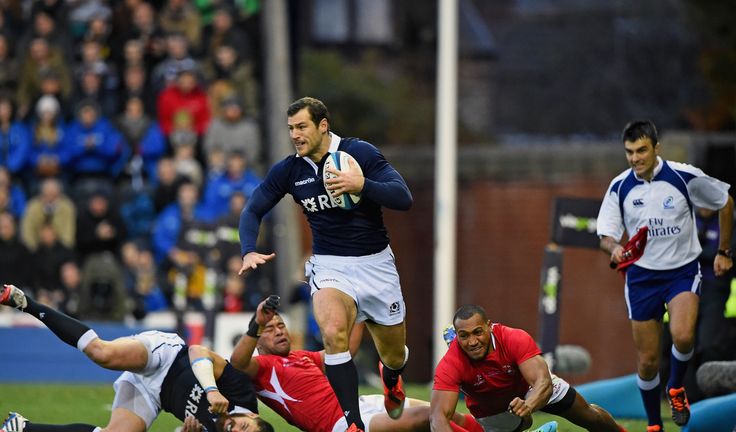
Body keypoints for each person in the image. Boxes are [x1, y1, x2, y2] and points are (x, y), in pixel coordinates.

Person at [238, 97, 414, 429]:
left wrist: (361, 185)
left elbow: (403, 197)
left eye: (301, 127)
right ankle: (353, 423)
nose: (295, 135)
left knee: (393, 354)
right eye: (291, 129)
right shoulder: (290, 170)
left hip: (376, 265)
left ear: (323, 126)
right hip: (330, 265)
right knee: (333, 334)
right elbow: (252, 209)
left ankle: (391, 380)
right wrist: (248, 249)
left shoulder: (358, 153)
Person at [596, 120, 733, 431]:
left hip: (682, 272)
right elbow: (606, 236)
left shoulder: (683, 176)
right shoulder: (620, 187)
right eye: (630, 152)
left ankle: (675, 388)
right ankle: (654, 424)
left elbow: (726, 203)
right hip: (642, 279)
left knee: (683, 336)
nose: (635, 158)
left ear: (656, 148)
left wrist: (724, 252)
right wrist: (614, 249)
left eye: (641, 150)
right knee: (647, 362)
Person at [0, 284, 272, 432]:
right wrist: (211, 390)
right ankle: (27, 304)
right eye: (245, 428)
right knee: (101, 353)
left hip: (154, 396)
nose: (236, 431)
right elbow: (198, 351)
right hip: (166, 357)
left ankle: (22, 427)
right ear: (251, 416)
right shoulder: (242, 395)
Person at [229, 296, 482, 432]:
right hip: (340, 426)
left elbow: (346, 352)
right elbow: (236, 363)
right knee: (429, 417)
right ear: (257, 340)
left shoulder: (301, 356)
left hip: (358, 406)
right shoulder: (261, 366)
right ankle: (392, 389)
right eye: (270, 329)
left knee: (447, 412)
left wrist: (359, 309)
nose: (279, 332)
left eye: (281, 326)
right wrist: (256, 324)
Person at [431, 304, 625, 432]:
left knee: (590, 417)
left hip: (528, 390)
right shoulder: (450, 362)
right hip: (491, 407)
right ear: (457, 337)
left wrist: (529, 404)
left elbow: (543, 382)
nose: (472, 342)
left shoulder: (513, 338)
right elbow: (438, 417)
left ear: (489, 326)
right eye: (464, 336)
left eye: (478, 332)